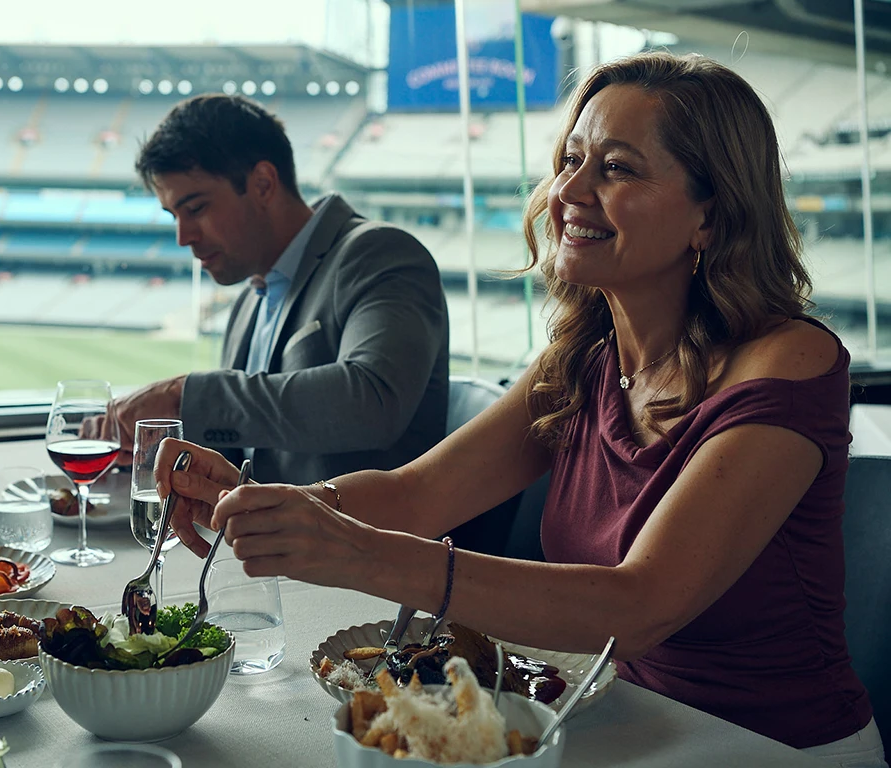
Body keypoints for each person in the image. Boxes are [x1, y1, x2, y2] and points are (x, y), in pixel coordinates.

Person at [153, 53, 885, 765]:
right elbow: (417, 495)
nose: (570, 190)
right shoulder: (584, 359)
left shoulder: (791, 359)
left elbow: (639, 606)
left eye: (617, 168)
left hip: (771, 745)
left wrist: (356, 552)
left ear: (711, 214)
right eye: (570, 160)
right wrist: (270, 505)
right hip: (621, 721)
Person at [97, 94, 449, 485]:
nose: (183, 237)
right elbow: (247, 443)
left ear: (263, 184)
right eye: (174, 216)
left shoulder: (379, 252)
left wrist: (182, 396)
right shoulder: (249, 300)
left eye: (195, 209)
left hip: (359, 525)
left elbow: (372, 404)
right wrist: (152, 452)